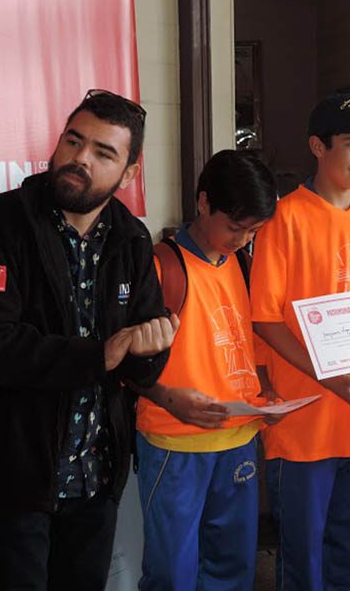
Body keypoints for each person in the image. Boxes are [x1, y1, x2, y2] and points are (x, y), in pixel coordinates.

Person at [0, 90, 178, 590]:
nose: (80, 158)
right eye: (74, 141)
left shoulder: (132, 238)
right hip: (16, 479)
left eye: (103, 152)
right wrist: (104, 353)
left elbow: (141, 362)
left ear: (129, 173)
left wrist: (151, 349)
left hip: (97, 477)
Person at [251, 93, 350, 590]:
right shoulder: (284, 217)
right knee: (303, 553)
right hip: (306, 411)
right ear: (318, 146)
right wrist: (327, 377)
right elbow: (266, 320)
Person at [134, 149, 279, 590]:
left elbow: (249, 342)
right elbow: (128, 360)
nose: (243, 239)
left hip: (239, 436)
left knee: (233, 566)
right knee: (172, 572)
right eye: (235, 227)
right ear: (202, 203)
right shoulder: (162, 266)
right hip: (176, 442)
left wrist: (267, 394)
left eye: (253, 230)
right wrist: (167, 397)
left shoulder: (241, 263)